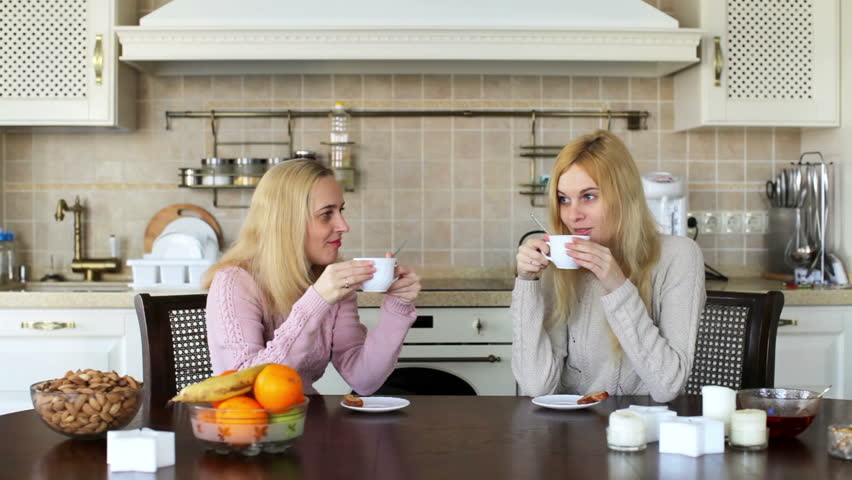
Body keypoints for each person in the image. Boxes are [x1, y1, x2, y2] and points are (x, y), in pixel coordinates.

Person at [512, 130, 705, 403]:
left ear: (624, 195)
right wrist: (527, 284)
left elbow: (667, 386)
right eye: (564, 199)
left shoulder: (680, 256)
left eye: (588, 196)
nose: (573, 214)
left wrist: (617, 284)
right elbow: (535, 385)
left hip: (644, 431)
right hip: (572, 433)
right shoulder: (559, 263)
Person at [203, 159, 421, 395]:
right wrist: (316, 300)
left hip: (307, 420)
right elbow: (244, 387)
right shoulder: (235, 282)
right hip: (251, 426)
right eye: (327, 214)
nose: (344, 225)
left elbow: (363, 380)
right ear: (287, 222)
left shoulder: (330, 281)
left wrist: (397, 307)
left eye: (341, 210)